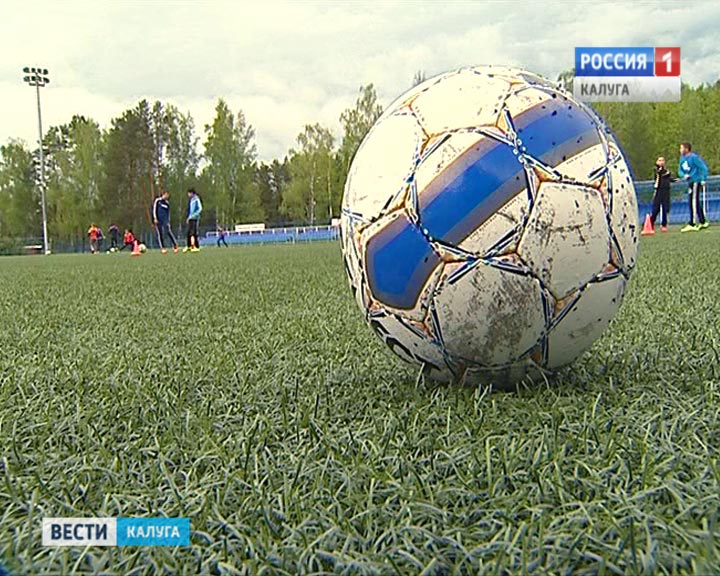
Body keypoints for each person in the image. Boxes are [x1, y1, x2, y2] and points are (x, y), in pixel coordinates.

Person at [678, 142, 710, 232]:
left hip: (696, 181)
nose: (680, 150)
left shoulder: (694, 157)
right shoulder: (682, 159)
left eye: (681, 148)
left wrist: (703, 179)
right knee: (694, 202)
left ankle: (693, 223)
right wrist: (683, 175)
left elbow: (703, 168)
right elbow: (680, 170)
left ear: (686, 149)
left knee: (693, 201)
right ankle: (703, 221)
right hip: (690, 182)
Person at [650, 157, 674, 232]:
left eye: (663, 160)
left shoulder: (667, 171)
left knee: (665, 208)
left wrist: (674, 180)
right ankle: (650, 223)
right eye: (660, 160)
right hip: (658, 191)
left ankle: (664, 225)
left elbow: (669, 178)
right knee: (655, 209)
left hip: (666, 191)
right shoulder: (656, 170)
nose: (661, 162)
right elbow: (659, 174)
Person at [184, 188, 202, 252]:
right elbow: (190, 211)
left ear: (192, 193)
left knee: (194, 233)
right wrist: (188, 218)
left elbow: (200, 208)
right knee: (188, 232)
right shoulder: (191, 200)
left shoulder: (196, 199)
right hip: (190, 218)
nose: (188, 195)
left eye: (189, 193)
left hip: (195, 218)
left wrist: (194, 215)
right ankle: (188, 246)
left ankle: (196, 246)